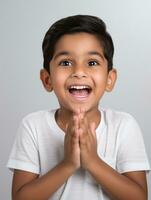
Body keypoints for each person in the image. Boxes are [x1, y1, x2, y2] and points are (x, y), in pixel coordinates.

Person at [7, 15, 150, 200]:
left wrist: (93, 162)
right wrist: (67, 164)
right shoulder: (33, 126)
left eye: (92, 63)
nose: (79, 72)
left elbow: (139, 197)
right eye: (65, 63)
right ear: (47, 79)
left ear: (109, 79)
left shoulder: (124, 126)